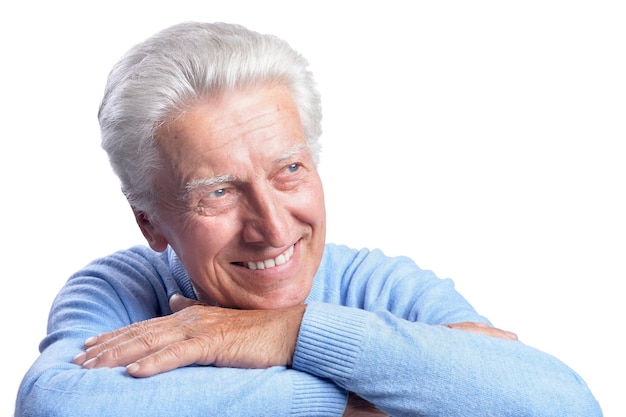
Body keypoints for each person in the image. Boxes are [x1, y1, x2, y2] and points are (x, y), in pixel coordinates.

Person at [15, 21, 602, 417]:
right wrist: (359, 397)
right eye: (219, 192)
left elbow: (560, 406)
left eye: (289, 168)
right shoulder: (121, 289)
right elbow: (59, 406)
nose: (272, 226)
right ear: (150, 223)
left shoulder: (379, 283)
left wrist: (287, 333)